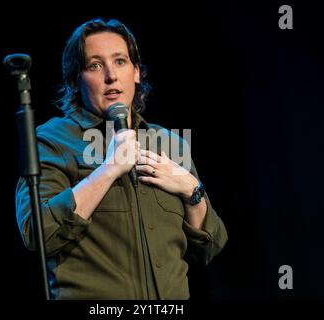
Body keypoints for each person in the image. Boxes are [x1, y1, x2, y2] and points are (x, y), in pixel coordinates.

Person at [15, 18, 228, 300]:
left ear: (136, 72)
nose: (111, 76)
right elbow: (36, 233)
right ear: (75, 80)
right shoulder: (52, 139)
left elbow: (207, 249)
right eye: (95, 65)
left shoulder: (168, 143)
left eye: (120, 61)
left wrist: (192, 191)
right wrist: (108, 170)